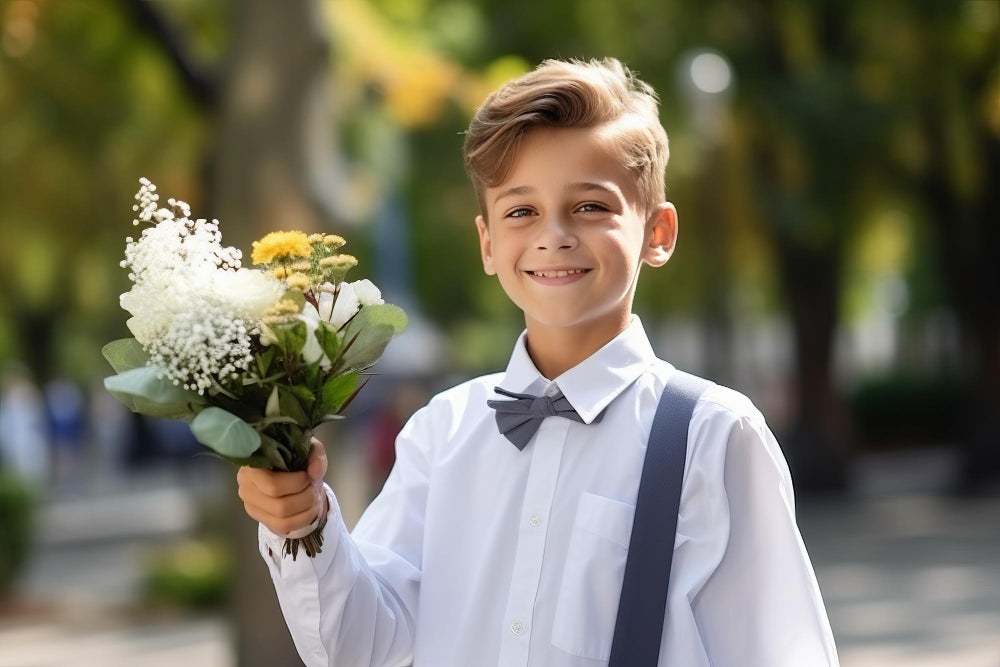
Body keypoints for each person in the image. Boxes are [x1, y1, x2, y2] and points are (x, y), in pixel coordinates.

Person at [237, 57, 840, 666]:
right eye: (521, 211)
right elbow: (363, 647)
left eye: (591, 206)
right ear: (488, 243)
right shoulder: (441, 432)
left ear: (657, 233)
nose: (553, 235)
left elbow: (782, 653)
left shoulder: (714, 435)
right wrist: (304, 524)